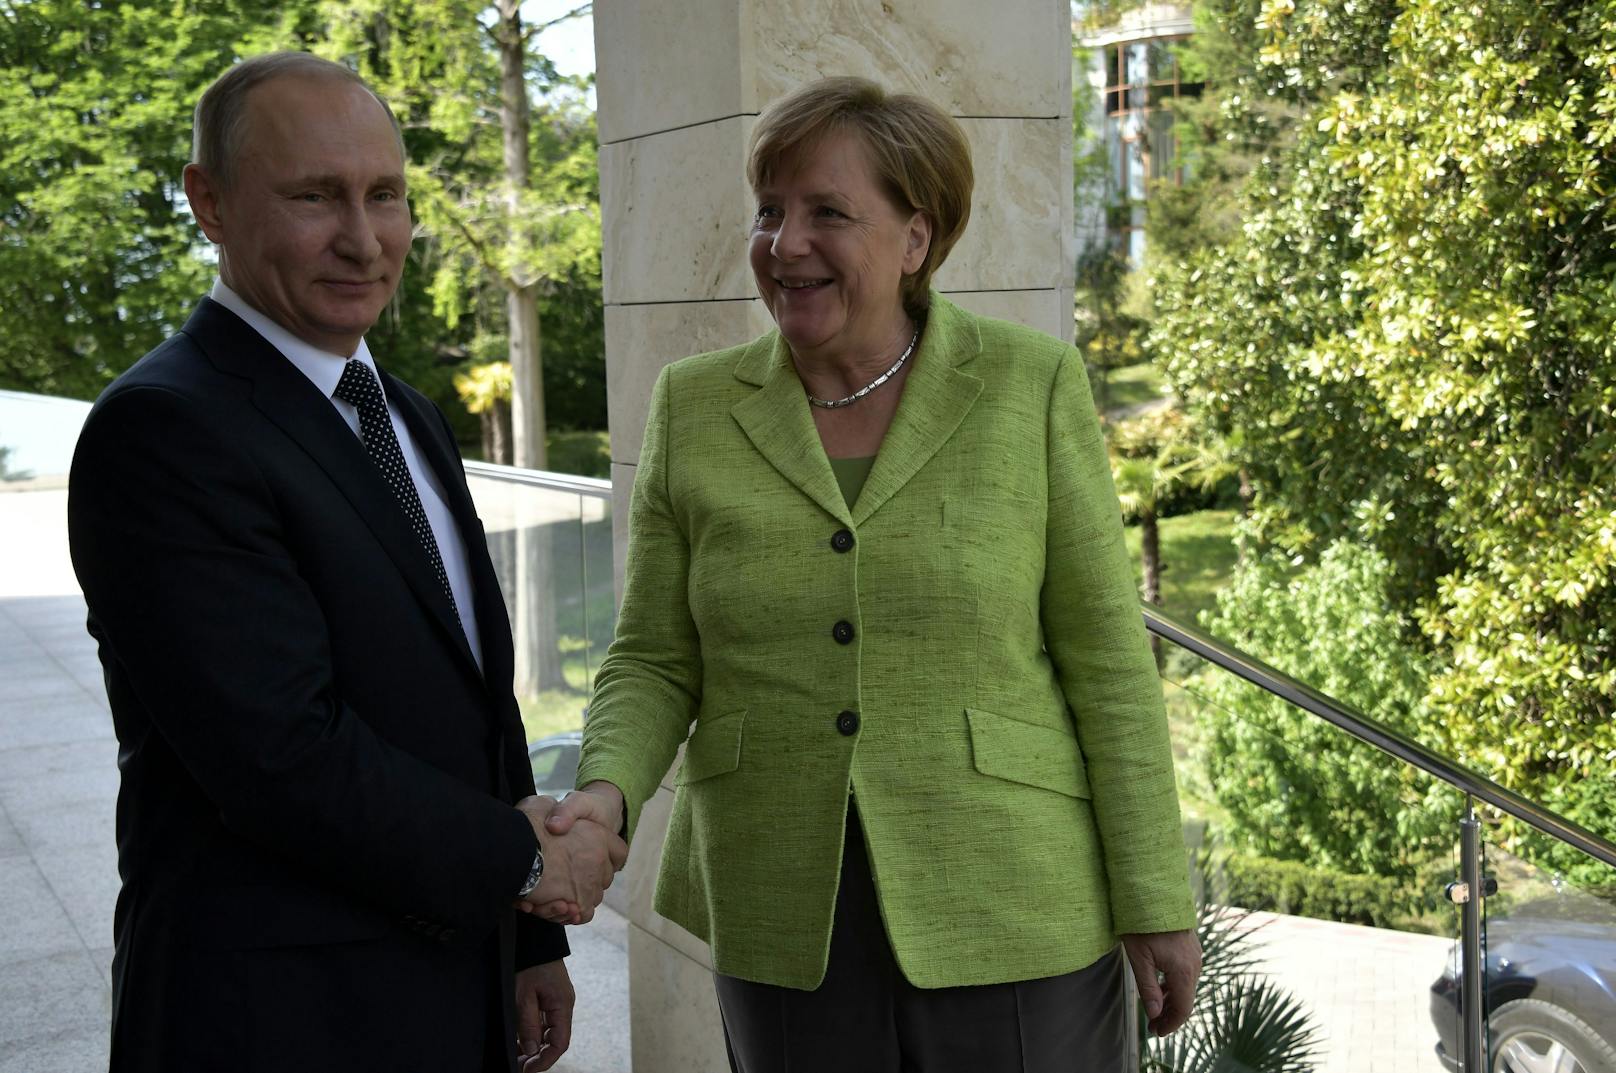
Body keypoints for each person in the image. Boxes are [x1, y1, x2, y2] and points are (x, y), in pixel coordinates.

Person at [540, 76, 1201, 1070]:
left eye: (827, 213)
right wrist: (602, 793)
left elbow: (1104, 659)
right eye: (769, 211)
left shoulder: (1029, 384)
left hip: (1016, 895)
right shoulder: (694, 404)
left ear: (915, 239)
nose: (783, 243)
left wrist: (1153, 895)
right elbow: (653, 657)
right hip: (779, 902)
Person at [67, 52, 624, 1073]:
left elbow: (469, 687)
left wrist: (529, 938)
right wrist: (524, 857)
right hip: (275, 1014)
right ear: (210, 203)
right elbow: (279, 754)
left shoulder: (400, 409)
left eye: (385, 196)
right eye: (315, 197)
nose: (363, 240)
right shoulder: (162, 429)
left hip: (449, 981)